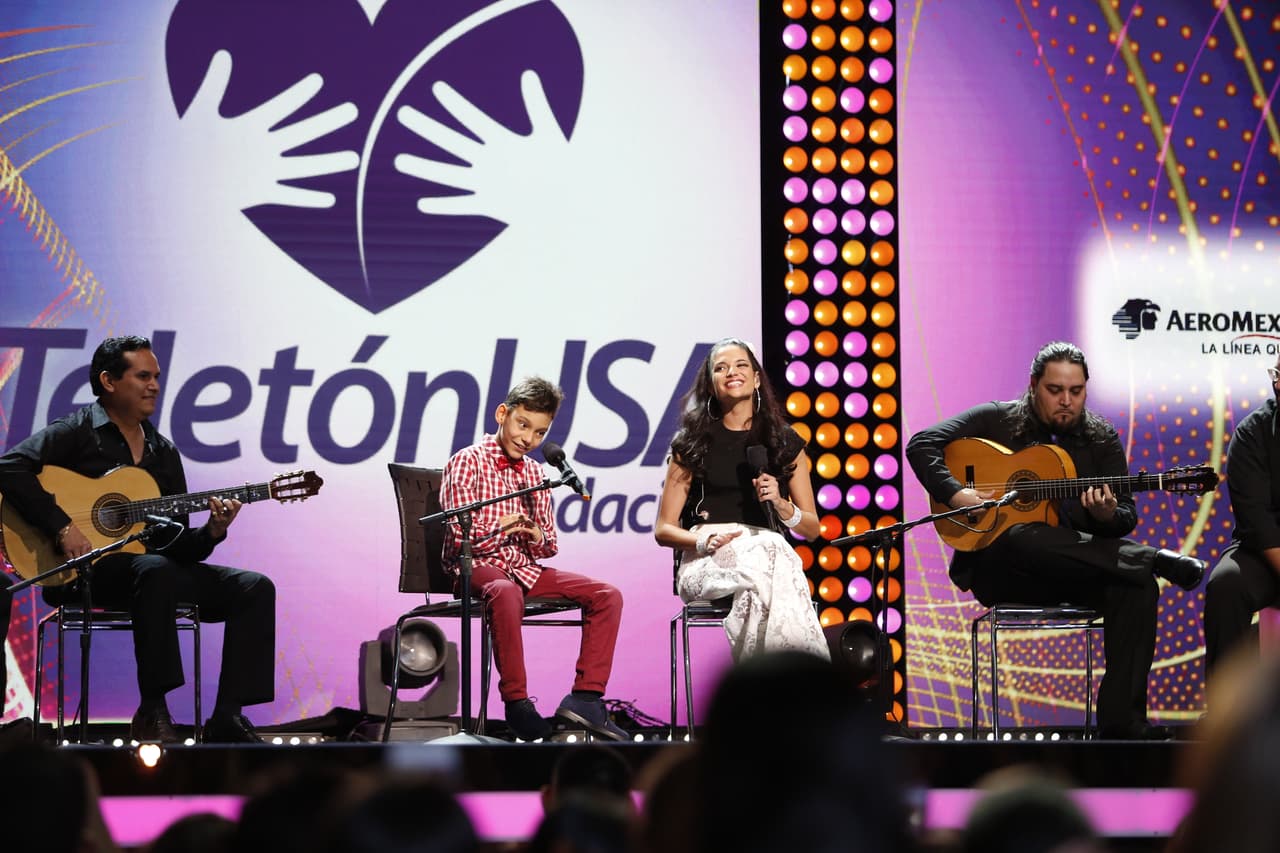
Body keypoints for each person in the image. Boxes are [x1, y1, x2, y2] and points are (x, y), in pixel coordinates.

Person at [904, 340, 1206, 740]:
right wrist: (958, 494)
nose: (1066, 400)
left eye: (1075, 391)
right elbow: (921, 443)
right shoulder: (997, 419)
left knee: (1137, 587)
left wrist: (1105, 515)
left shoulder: (1100, 439)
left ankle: (1122, 724)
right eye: (1055, 390)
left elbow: (1124, 516)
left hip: (1075, 568)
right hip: (1004, 571)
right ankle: (1152, 557)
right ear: (1034, 385)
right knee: (1021, 536)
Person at [0, 335, 275, 743]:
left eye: (157, 377)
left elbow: (177, 543)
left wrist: (213, 531)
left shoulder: (162, 452)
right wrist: (61, 526)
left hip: (151, 575)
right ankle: (154, 708)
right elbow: (9, 468)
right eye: (143, 376)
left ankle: (228, 714)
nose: (154, 386)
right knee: (155, 569)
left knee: (253, 587)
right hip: (82, 572)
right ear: (109, 381)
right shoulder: (76, 432)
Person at [440, 376, 625, 741]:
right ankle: (517, 703)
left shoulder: (537, 474)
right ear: (502, 414)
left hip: (522, 568)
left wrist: (535, 534)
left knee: (607, 595)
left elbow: (549, 544)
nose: (528, 439)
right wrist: (501, 525)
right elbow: (459, 534)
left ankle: (586, 699)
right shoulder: (467, 461)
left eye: (539, 433)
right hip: (475, 565)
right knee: (505, 592)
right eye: (522, 425)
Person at [654, 337, 829, 661]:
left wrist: (780, 504)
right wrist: (704, 541)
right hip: (707, 556)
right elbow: (664, 529)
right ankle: (801, 686)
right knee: (778, 555)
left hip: (767, 560)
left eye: (740, 365)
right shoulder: (691, 443)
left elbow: (812, 529)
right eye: (721, 368)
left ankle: (761, 695)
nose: (731, 372)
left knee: (760, 581)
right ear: (711, 384)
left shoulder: (784, 443)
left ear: (757, 378)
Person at [1202, 357, 1280, 680]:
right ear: (1277, 381)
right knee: (1226, 584)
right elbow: (1257, 523)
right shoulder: (1251, 435)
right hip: (1266, 553)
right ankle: (1229, 720)